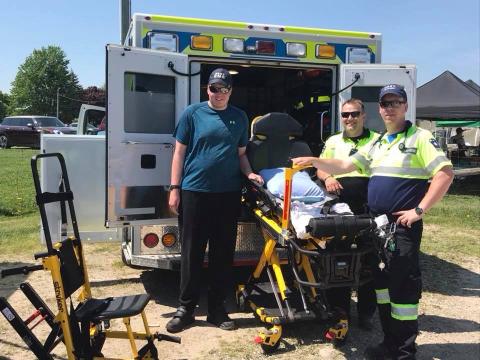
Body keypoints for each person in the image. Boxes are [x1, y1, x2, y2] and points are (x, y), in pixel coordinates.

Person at [292, 84, 454, 359]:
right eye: (385, 103)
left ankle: (404, 351)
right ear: (379, 109)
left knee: (402, 289)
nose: (389, 108)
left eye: (395, 102)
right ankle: (389, 344)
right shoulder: (380, 142)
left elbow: (444, 174)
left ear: (404, 106)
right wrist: (312, 161)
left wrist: (419, 210)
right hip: (377, 226)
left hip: (402, 227)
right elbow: (344, 166)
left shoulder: (419, 138)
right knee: (382, 287)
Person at [166, 68, 263, 334]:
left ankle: (217, 310)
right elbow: (179, 153)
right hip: (194, 192)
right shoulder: (192, 114)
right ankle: (185, 309)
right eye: (213, 88)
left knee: (222, 254)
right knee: (191, 253)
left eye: (223, 89)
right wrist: (174, 188)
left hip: (228, 194)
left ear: (231, 91)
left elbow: (241, 154)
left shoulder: (239, 117)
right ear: (206, 89)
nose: (218, 94)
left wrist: (250, 172)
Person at [317, 98, 379, 331]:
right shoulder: (333, 141)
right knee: (338, 259)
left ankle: (366, 314)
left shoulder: (378, 140)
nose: (349, 119)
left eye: (354, 114)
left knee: (370, 262)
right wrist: (328, 177)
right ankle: (340, 311)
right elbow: (321, 167)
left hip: (368, 207)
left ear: (364, 116)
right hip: (340, 209)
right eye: (345, 115)